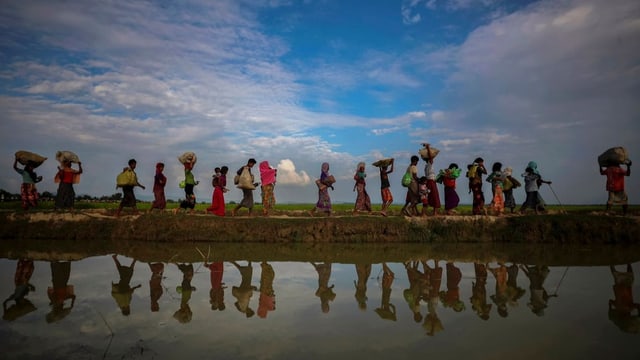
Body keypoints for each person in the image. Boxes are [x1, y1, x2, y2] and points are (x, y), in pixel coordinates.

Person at [422, 144, 441, 216]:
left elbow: (430, 158)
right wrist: (428, 147)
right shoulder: (429, 165)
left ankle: (427, 213)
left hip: (430, 182)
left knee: (429, 197)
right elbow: (430, 157)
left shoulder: (427, 166)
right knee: (434, 196)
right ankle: (434, 212)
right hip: (431, 182)